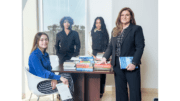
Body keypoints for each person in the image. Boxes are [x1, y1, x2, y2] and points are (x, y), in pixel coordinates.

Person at [99, 7, 145, 101]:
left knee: (134, 92)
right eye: (122, 15)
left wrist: (134, 63)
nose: (124, 17)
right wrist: (104, 58)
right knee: (120, 92)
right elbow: (110, 46)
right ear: (119, 17)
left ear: (131, 17)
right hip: (117, 65)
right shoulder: (115, 30)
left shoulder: (136, 29)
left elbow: (140, 47)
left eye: (127, 15)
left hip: (130, 65)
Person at [28, 32, 74, 101]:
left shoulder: (45, 54)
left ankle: (65, 98)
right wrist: (58, 77)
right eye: (42, 40)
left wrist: (54, 78)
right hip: (39, 84)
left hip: (47, 80)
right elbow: (42, 73)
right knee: (66, 79)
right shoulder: (34, 55)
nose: (45, 42)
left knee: (66, 75)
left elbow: (49, 69)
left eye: (46, 39)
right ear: (37, 42)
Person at [88, 17, 109, 98]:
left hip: (103, 56)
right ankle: (94, 91)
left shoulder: (105, 32)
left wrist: (106, 54)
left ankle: (101, 92)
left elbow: (108, 44)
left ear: (102, 23)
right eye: (96, 23)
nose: (98, 25)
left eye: (99, 23)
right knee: (94, 73)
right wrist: (91, 54)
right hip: (94, 55)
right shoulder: (91, 32)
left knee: (102, 74)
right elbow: (89, 45)